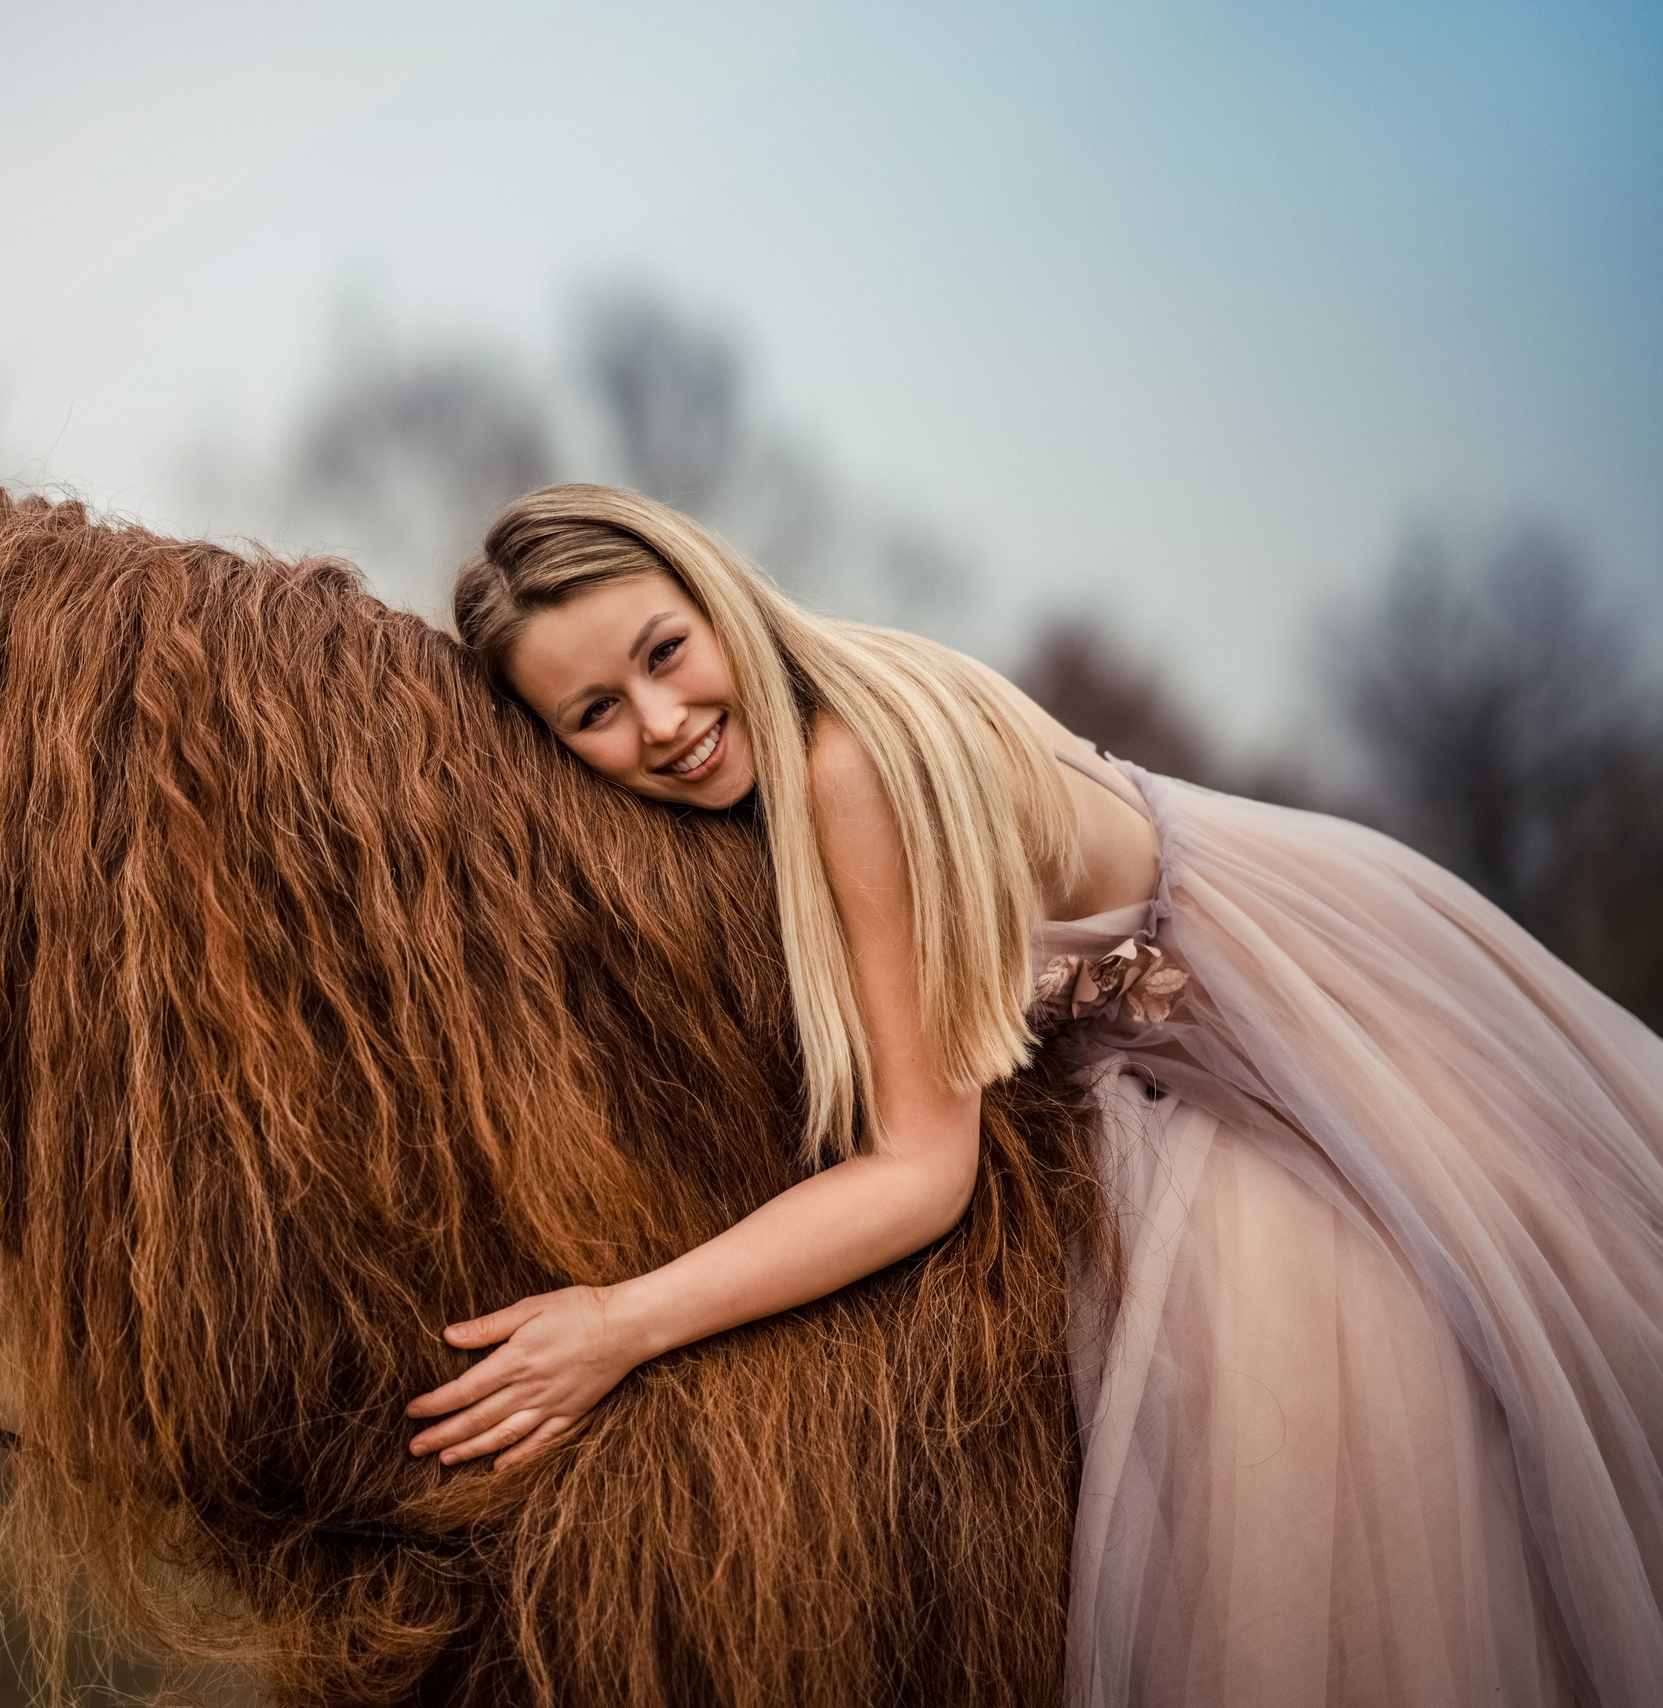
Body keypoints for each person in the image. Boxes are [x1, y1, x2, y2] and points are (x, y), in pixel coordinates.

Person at [407, 484, 1663, 1706]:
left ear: (710, 586)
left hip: (1282, 1050)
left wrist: (622, 1321)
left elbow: (922, 1170)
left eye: (665, 651)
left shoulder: (852, 769)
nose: (662, 719)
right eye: (596, 714)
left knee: (1406, 1418)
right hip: (1261, 995)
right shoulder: (844, 677)